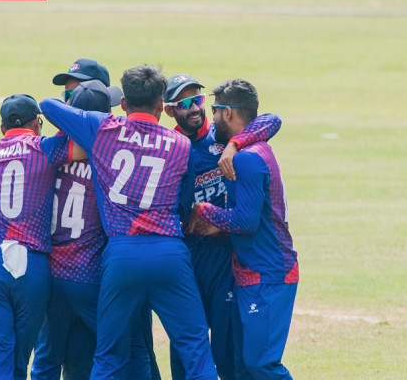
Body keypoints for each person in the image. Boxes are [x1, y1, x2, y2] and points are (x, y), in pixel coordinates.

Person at [40, 65, 217, 380]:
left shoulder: (103, 129)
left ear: (123, 104)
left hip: (121, 255)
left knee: (109, 356)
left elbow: (47, 106)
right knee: (196, 350)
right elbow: (183, 204)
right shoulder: (181, 145)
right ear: (161, 105)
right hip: (169, 252)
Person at [31, 79, 160, 380]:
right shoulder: (108, 159)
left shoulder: (50, 152)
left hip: (51, 275)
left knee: (47, 358)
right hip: (89, 275)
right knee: (127, 347)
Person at [162, 74, 282, 380]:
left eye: (198, 100)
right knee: (185, 345)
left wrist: (234, 144)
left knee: (228, 347)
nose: (195, 108)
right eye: (185, 103)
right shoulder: (168, 147)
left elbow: (271, 119)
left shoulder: (221, 137)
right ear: (169, 110)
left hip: (223, 260)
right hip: (186, 259)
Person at [188, 78, 298, 380]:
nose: (211, 116)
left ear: (229, 113)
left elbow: (246, 222)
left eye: (215, 109)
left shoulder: (248, 158)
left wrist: (203, 210)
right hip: (250, 271)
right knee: (242, 366)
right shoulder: (249, 149)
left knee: (260, 364)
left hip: (269, 273)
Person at [0, 94, 80, 379]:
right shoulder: (45, 148)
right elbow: (85, 144)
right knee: (19, 362)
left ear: (2, 127)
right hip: (31, 265)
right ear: (36, 123)